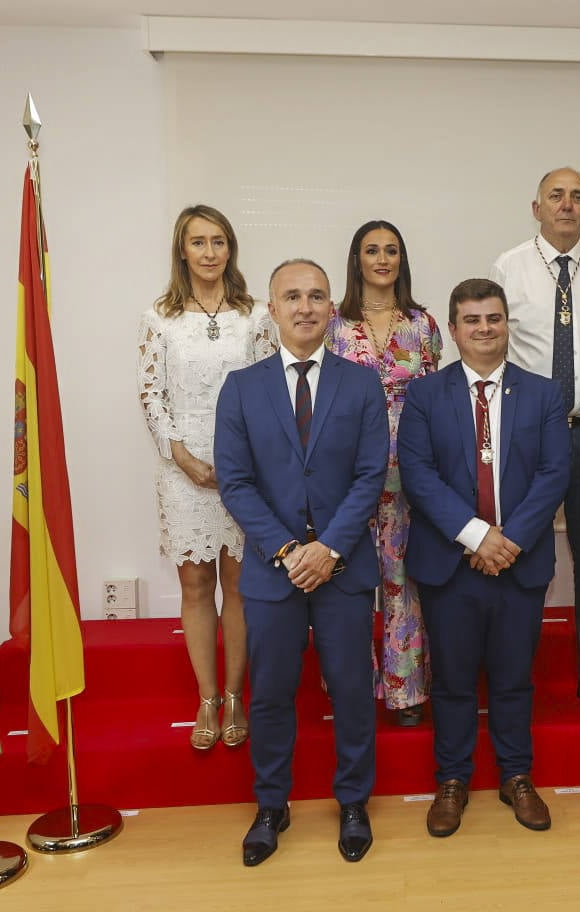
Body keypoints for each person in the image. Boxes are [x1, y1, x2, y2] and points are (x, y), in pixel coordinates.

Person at [215, 259, 389, 867]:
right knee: (269, 694)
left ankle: (353, 802)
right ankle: (271, 805)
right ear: (273, 309)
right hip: (272, 570)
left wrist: (329, 549)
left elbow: (371, 476)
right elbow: (235, 484)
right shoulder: (242, 387)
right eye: (292, 296)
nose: (306, 306)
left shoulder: (362, 383)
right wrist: (289, 551)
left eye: (317, 295)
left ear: (330, 308)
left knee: (351, 689)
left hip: (342, 567)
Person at [398, 279, 570, 838]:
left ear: (506, 324)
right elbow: (418, 476)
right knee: (451, 679)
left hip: (519, 561)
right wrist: (476, 536)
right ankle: (452, 781)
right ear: (453, 329)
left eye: (494, 318)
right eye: (472, 320)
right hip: (451, 562)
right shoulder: (425, 395)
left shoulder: (544, 394)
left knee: (514, 678)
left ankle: (517, 776)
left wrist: (507, 540)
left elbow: (553, 475)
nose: (484, 329)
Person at [490, 167, 580, 719]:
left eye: (577, 198)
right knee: (518, 547)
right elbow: (493, 345)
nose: (566, 206)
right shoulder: (508, 265)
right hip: (528, 433)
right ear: (536, 207)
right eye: (556, 196)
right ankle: (509, 668)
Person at [138, 204, 276, 751]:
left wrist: (242, 463)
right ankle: (207, 698)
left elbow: (270, 391)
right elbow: (151, 395)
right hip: (184, 469)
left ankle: (238, 696)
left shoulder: (257, 314)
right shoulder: (159, 316)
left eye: (219, 241)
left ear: (230, 248)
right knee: (196, 585)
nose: (210, 252)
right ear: (182, 250)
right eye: (199, 242)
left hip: (245, 470)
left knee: (241, 586)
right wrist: (184, 459)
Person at [326, 220, 443, 727]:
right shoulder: (331, 324)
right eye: (371, 250)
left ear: (401, 260)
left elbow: (438, 402)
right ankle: (351, 685)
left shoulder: (423, 325)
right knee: (346, 581)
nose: (381, 259)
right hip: (344, 468)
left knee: (401, 580)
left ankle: (405, 691)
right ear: (355, 259)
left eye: (391, 250)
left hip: (407, 470)